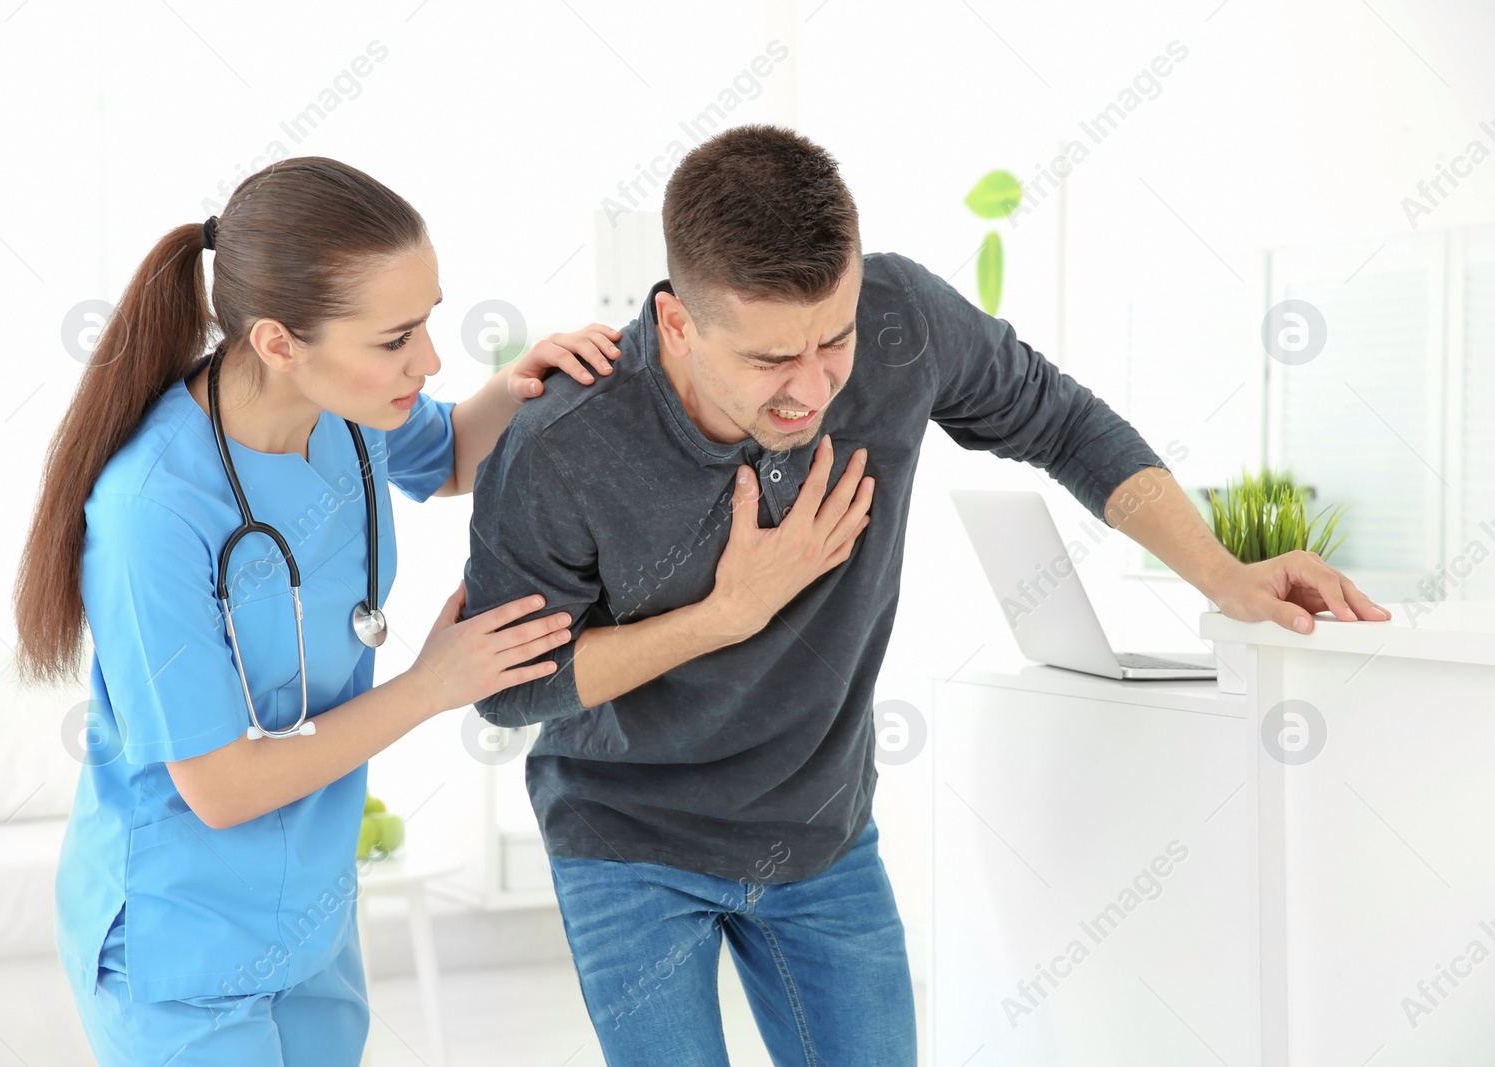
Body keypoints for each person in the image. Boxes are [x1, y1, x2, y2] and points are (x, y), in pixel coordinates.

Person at [460, 124, 1393, 1065]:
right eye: (770, 359)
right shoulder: (561, 444)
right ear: (676, 322)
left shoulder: (903, 317)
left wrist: (1224, 573)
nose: (813, 385)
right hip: (629, 839)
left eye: (835, 337)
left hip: (816, 829)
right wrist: (724, 616)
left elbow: (1059, 420)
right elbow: (507, 688)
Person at [11, 155, 621, 1066]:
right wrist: (433, 684)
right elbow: (220, 787)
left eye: (429, 321)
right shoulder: (154, 511)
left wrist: (525, 384)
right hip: (181, 942)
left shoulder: (348, 410)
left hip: (311, 915)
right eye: (396, 337)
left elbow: (447, 455)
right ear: (278, 341)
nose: (428, 358)